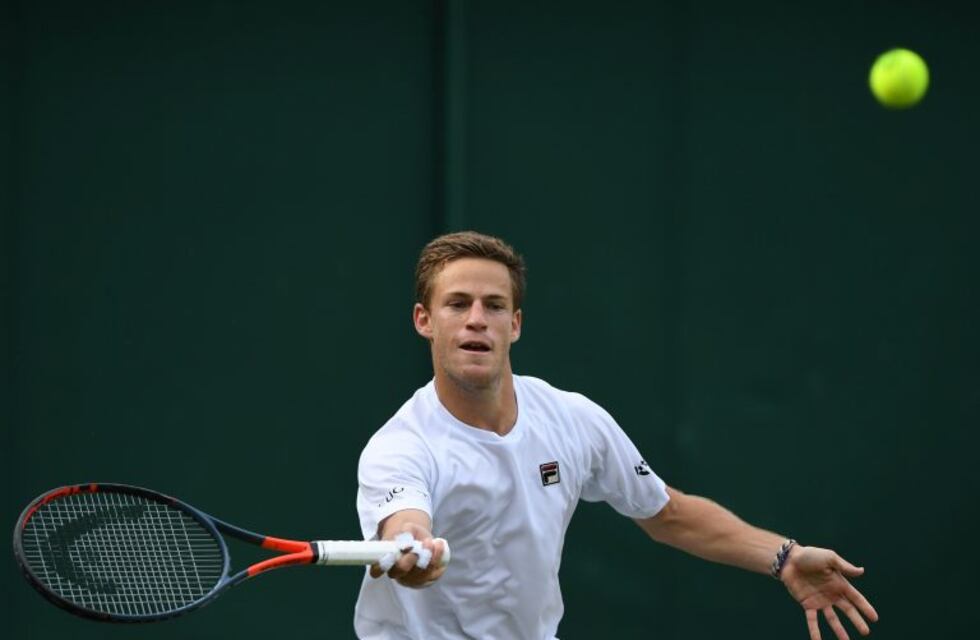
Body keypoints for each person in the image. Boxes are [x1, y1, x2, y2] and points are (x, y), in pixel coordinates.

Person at [354, 231, 877, 640]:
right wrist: (414, 554)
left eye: (493, 306)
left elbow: (667, 513)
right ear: (424, 320)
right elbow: (406, 527)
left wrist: (783, 557)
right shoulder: (400, 447)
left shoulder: (572, 419)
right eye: (457, 304)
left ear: (515, 325)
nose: (476, 320)